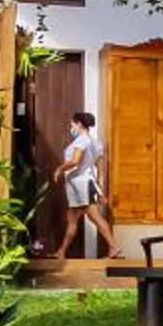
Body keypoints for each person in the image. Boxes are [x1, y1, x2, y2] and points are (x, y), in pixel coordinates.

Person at [51, 109, 117, 260]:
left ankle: (114, 247)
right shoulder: (95, 143)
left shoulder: (82, 140)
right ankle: (61, 251)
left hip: (81, 186)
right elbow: (100, 166)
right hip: (81, 185)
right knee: (73, 219)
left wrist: (59, 169)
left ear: (79, 124)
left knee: (94, 218)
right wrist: (99, 187)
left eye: (72, 124)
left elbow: (75, 161)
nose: (71, 128)